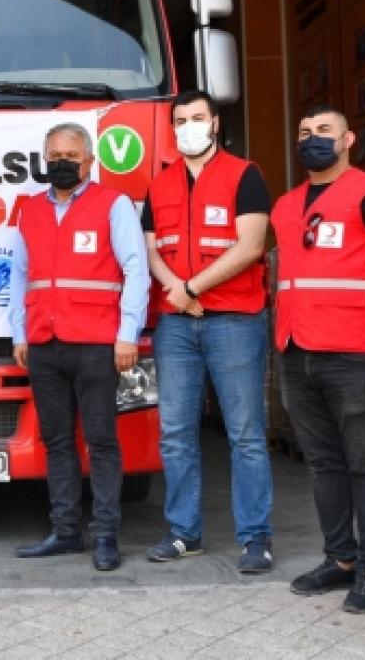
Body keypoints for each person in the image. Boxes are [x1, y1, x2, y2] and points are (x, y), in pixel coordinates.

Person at [270, 104, 365, 614]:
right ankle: (341, 558)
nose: (312, 138)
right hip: (297, 350)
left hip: (354, 349)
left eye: (324, 130)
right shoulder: (285, 205)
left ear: (348, 139)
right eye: (304, 131)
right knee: (323, 462)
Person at [140, 90, 274, 572]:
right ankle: (184, 533)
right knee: (175, 433)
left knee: (245, 434)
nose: (188, 127)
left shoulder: (245, 175)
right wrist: (176, 290)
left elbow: (251, 245)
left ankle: (256, 538)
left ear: (215, 123)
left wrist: (192, 287)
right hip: (176, 325)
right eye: (180, 120)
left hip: (234, 320)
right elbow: (151, 249)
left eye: (197, 117)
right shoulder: (160, 184)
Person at [10, 122, 148, 572]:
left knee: (101, 441)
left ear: (89, 161)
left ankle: (106, 535)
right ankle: (66, 531)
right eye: (54, 156)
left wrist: (128, 333)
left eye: (70, 156)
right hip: (44, 343)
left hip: (96, 343)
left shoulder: (113, 204)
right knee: (57, 441)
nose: (62, 163)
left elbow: (136, 269)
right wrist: (19, 334)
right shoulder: (30, 209)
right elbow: (20, 275)